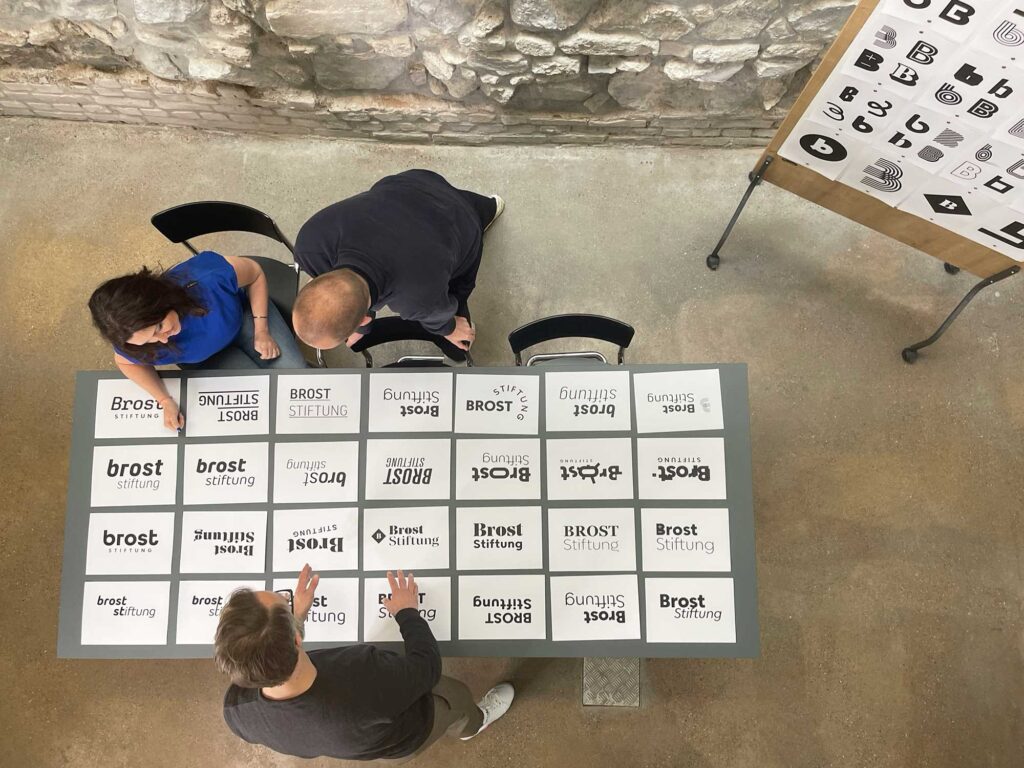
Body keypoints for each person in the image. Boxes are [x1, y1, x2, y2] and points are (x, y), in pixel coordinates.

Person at [215, 566, 515, 761]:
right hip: (413, 730)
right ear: (296, 639)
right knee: (456, 698)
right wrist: (407, 612)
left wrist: (292, 621)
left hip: (372, 747)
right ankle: (474, 724)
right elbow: (427, 667)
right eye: (286, 603)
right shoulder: (362, 674)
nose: (290, 603)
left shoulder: (237, 712)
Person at [88, 251, 307, 431]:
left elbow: (255, 273)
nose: (162, 340)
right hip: (209, 359)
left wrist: (262, 330)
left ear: (163, 301)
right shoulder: (130, 339)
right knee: (256, 400)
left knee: (296, 378)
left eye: (159, 327)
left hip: (245, 318)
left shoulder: (208, 277)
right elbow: (125, 361)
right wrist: (164, 400)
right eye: (147, 341)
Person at [290, 169, 504, 352]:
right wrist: (358, 324)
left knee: (458, 342)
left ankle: (483, 215)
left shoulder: (418, 298)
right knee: (477, 204)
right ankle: (491, 205)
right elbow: (349, 289)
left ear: (365, 319)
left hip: (461, 222)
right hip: (411, 183)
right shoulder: (309, 245)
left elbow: (439, 314)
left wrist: (449, 329)